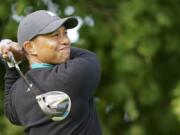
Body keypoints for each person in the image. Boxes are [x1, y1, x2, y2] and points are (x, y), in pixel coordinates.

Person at [0, 10, 102, 135]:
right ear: (30, 47)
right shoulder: (74, 73)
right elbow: (88, 56)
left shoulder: (17, 94)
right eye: (55, 35)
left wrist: (12, 61)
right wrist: (22, 53)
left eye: (65, 34)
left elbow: (10, 113)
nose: (66, 41)